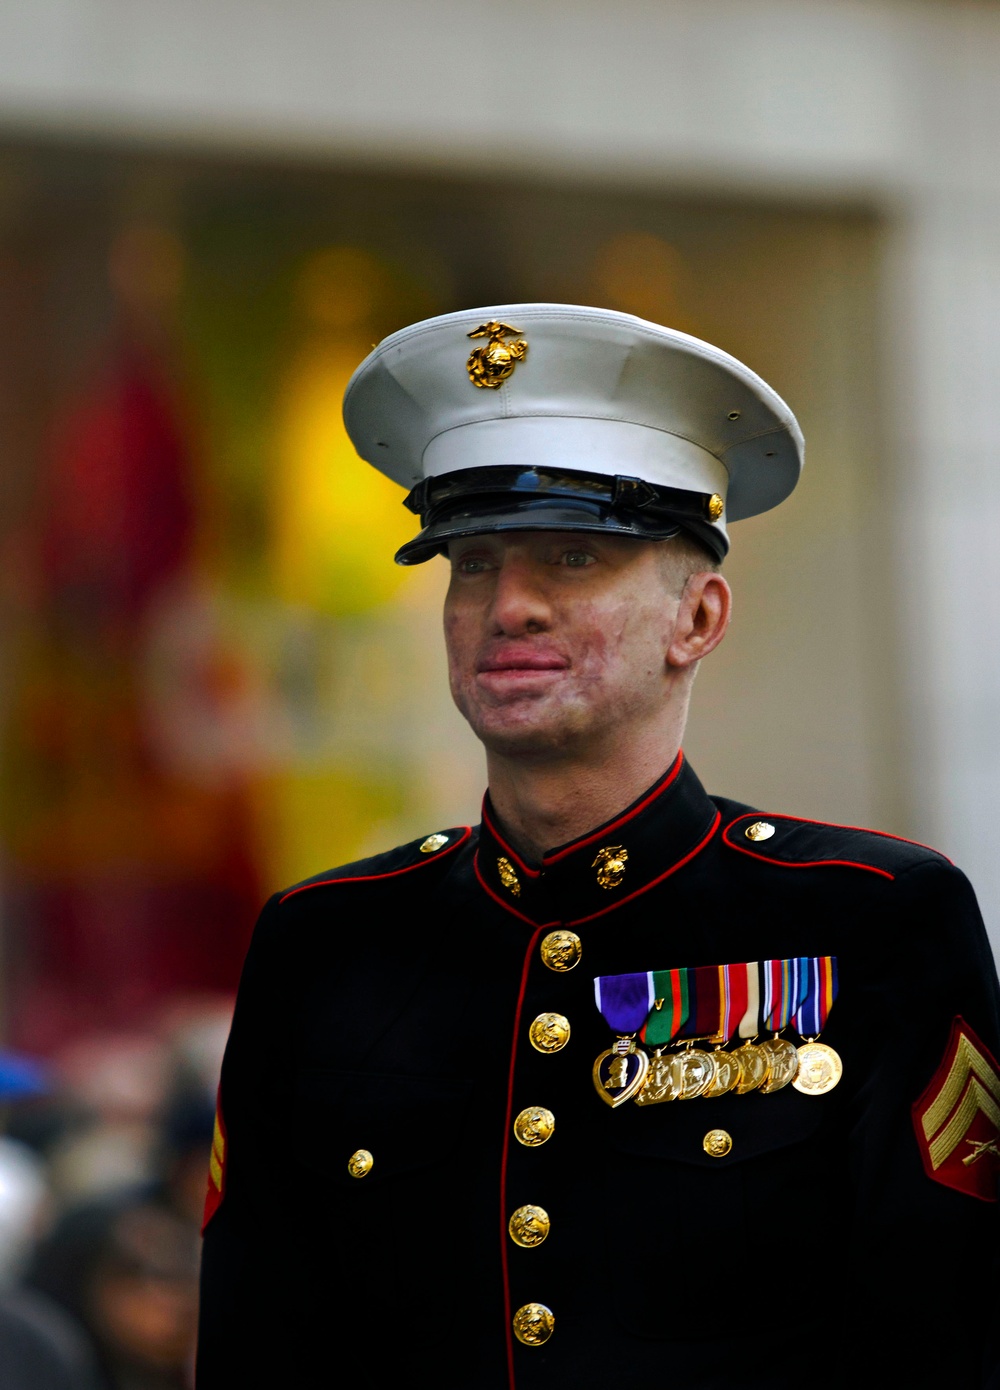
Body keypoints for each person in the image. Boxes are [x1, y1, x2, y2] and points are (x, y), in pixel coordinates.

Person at [197, 305, 1000, 1388]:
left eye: (572, 558)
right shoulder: (323, 939)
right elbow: (259, 1337)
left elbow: (946, 1339)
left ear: (698, 619)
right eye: (471, 564)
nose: (508, 605)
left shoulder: (867, 917)